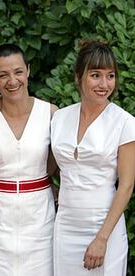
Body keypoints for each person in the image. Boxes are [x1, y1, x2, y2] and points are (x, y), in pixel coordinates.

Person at [0, 43, 57, 275]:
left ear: (28, 70)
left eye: (18, 72)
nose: (12, 80)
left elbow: (56, 163)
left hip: (39, 220)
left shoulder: (50, 114)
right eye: (3, 75)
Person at [51, 41, 135, 275]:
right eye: (95, 75)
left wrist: (102, 238)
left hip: (104, 226)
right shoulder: (59, 118)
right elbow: (48, 167)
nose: (104, 84)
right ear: (79, 76)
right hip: (66, 226)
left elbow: (126, 185)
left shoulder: (124, 122)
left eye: (110, 76)